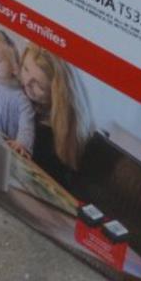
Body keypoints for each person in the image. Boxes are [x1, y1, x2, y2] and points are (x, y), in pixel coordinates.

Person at [18, 43, 93, 194]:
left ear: (57, 94)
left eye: (38, 85)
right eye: (25, 69)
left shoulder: (55, 134)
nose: (26, 83)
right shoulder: (20, 92)